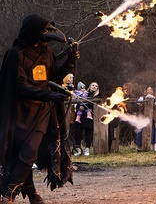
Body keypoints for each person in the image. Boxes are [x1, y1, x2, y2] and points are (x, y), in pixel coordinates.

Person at [0, 15, 79, 203]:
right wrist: (49, 95)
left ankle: (8, 193)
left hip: (42, 113)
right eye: (43, 32)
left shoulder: (47, 54)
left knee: (30, 152)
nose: (46, 37)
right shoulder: (16, 54)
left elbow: (56, 77)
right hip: (19, 113)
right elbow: (20, 86)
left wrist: (70, 60)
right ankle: (32, 192)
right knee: (19, 152)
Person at [73, 82, 98, 156]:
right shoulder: (83, 93)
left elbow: (93, 104)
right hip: (81, 115)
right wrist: (79, 107)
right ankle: (78, 149)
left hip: (89, 117)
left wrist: (85, 105)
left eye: (96, 86)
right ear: (89, 86)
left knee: (88, 133)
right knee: (78, 133)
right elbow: (77, 102)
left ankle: (87, 149)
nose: (94, 87)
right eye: (93, 85)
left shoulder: (96, 95)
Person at [136, 87, 156, 151]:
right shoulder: (142, 97)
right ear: (146, 91)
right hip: (143, 117)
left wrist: (153, 99)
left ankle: (152, 147)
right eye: (148, 89)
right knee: (141, 132)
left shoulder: (155, 98)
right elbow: (138, 103)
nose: (150, 90)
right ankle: (140, 147)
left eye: (151, 89)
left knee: (152, 132)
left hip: (152, 118)